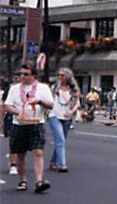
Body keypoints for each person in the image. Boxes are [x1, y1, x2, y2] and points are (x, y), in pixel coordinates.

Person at [4, 63, 54, 193]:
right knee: (20, 154)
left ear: (34, 76)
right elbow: (8, 105)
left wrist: (39, 102)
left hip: (36, 123)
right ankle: (23, 180)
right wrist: (17, 113)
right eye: (20, 74)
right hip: (19, 125)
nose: (22, 76)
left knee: (38, 152)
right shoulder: (14, 89)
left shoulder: (43, 88)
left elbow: (50, 105)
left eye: (26, 74)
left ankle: (39, 181)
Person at [47, 68, 80, 173]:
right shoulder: (54, 88)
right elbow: (48, 100)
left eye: (62, 75)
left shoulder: (73, 90)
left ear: (68, 77)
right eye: (59, 75)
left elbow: (77, 104)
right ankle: (62, 164)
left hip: (67, 117)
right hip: (54, 115)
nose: (60, 77)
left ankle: (53, 161)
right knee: (60, 140)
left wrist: (72, 112)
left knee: (60, 140)